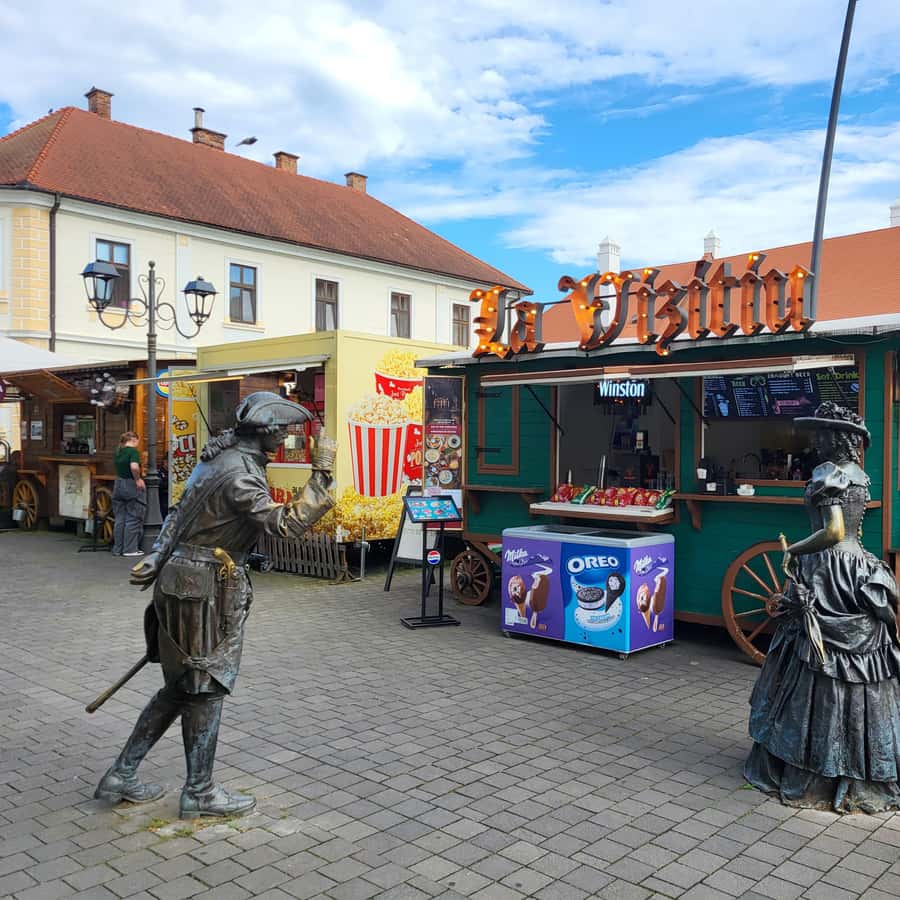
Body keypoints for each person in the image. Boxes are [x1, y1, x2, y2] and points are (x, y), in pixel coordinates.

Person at [94, 393, 336, 818]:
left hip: (183, 580)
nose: (285, 437)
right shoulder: (240, 473)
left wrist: (159, 554)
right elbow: (286, 524)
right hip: (204, 589)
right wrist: (322, 475)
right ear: (263, 431)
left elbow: (178, 512)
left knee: (180, 687)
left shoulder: (217, 459)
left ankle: (121, 774)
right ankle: (200, 792)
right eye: (281, 430)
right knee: (205, 688)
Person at [744, 402, 900, 813]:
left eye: (820, 432)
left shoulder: (827, 473)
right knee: (860, 669)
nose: (814, 439)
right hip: (857, 569)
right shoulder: (860, 475)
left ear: (836, 437)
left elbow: (832, 532)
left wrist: (794, 550)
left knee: (816, 661)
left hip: (827, 570)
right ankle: (860, 765)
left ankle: (813, 766)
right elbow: (851, 532)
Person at [112, 431, 146, 557]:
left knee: (120, 518)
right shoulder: (133, 452)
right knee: (133, 517)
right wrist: (138, 479)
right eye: (138, 441)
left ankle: (118, 549)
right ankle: (130, 549)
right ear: (133, 440)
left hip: (118, 484)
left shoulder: (118, 451)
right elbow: (134, 467)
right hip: (131, 484)